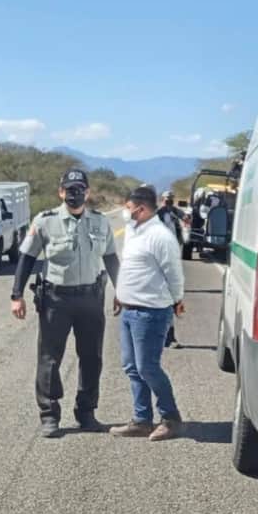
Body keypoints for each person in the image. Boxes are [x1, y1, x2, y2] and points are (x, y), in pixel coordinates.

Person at [10, 168, 120, 438]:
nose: (75, 194)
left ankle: (86, 412)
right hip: (56, 300)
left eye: (80, 189)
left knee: (92, 358)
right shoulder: (45, 221)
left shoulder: (100, 222)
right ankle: (49, 414)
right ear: (61, 192)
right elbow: (26, 258)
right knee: (49, 358)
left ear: (88, 192)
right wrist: (16, 295)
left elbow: (110, 258)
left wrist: (122, 290)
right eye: (70, 189)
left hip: (91, 298)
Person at [110, 185, 186, 441]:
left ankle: (171, 418)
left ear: (141, 209)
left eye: (128, 208)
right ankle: (141, 420)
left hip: (150, 312)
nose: (126, 212)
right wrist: (120, 294)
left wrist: (177, 300)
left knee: (147, 367)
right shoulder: (133, 231)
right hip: (129, 310)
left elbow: (174, 273)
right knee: (132, 367)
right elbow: (130, 268)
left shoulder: (160, 236)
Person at [155, 189, 186, 347]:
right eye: (167, 199)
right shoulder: (157, 215)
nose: (169, 202)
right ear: (162, 199)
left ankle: (168, 336)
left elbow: (184, 217)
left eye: (171, 199)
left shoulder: (174, 212)